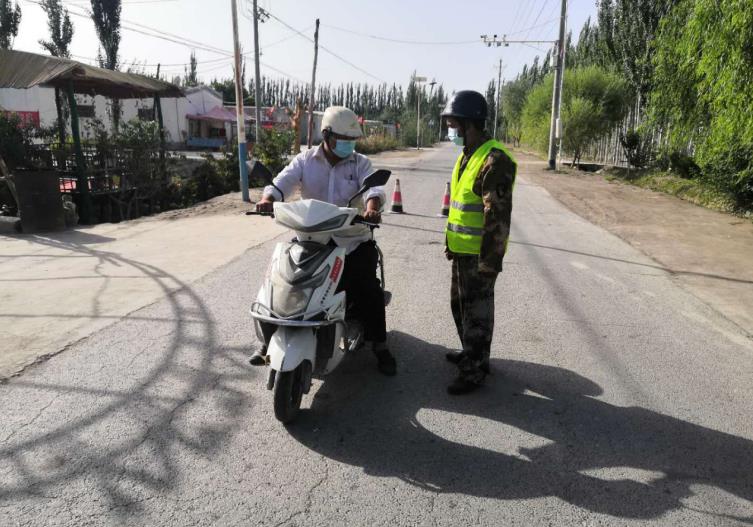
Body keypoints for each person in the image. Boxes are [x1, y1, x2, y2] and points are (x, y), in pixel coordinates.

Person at [250, 106, 397, 376]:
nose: (349, 145)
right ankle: (269, 340)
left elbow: (374, 189)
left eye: (352, 140)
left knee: (367, 287)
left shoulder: (360, 163)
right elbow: (282, 183)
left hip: (351, 240)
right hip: (311, 238)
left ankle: (380, 344)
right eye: (343, 139)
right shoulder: (305, 160)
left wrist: (372, 208)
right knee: (281, 281)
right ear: (327, 135)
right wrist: (267, 199)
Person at [441, 90, 517, 395]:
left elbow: (497, 217)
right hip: (462, 250)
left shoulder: (494, 160)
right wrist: (450, 242)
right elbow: (460, 206)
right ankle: (469, 352)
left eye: (453, 125)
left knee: (477, 316)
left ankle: (475, 370)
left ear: (469, 124)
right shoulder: (467, 154)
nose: (450, 131)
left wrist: (490, 263)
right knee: (459, 307)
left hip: (479, 257)